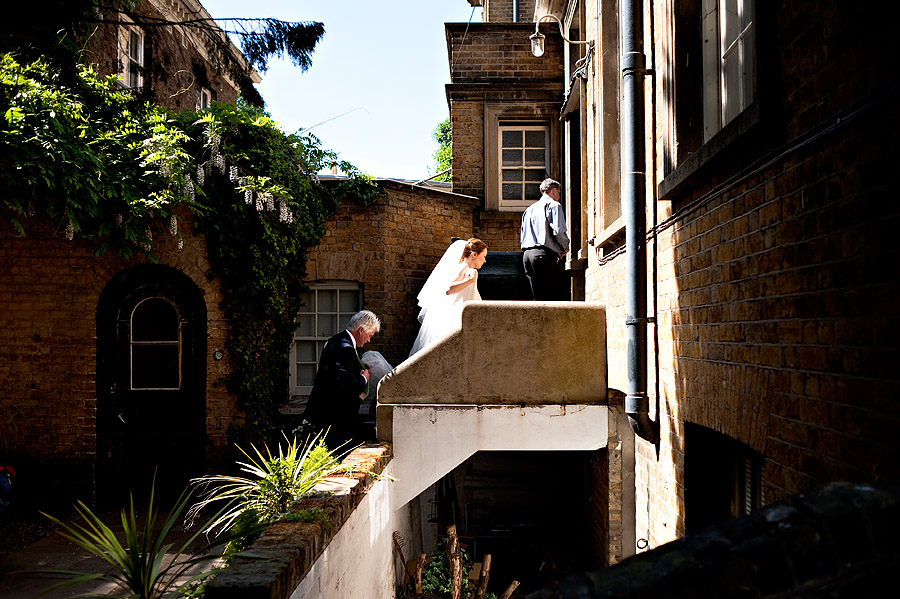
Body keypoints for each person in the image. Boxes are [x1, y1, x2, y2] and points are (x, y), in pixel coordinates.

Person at [302, 310, 381, 451]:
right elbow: (344, 383)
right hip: (334, 416)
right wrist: (364, 378)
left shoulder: (335, 340)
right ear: (361, 330)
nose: (369, 340)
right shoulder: (345, 348)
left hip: (324, 411)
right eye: (369, 336)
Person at [409, 238, 488, 357]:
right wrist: (469, 280)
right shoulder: (464, 268)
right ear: (474, 255)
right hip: (454, 317)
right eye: (483, 256)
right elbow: (449, 289)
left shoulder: (469, 269)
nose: (485, 260)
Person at [520, 178, 570, 300]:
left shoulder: (529, 209)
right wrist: (565, 247)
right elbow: (558, 231)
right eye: (558, 192)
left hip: (527, 255)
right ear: (553, 191)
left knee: (538, 298)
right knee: (551, 297)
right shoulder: (554, 205)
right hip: (544, 255)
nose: (559, 196)